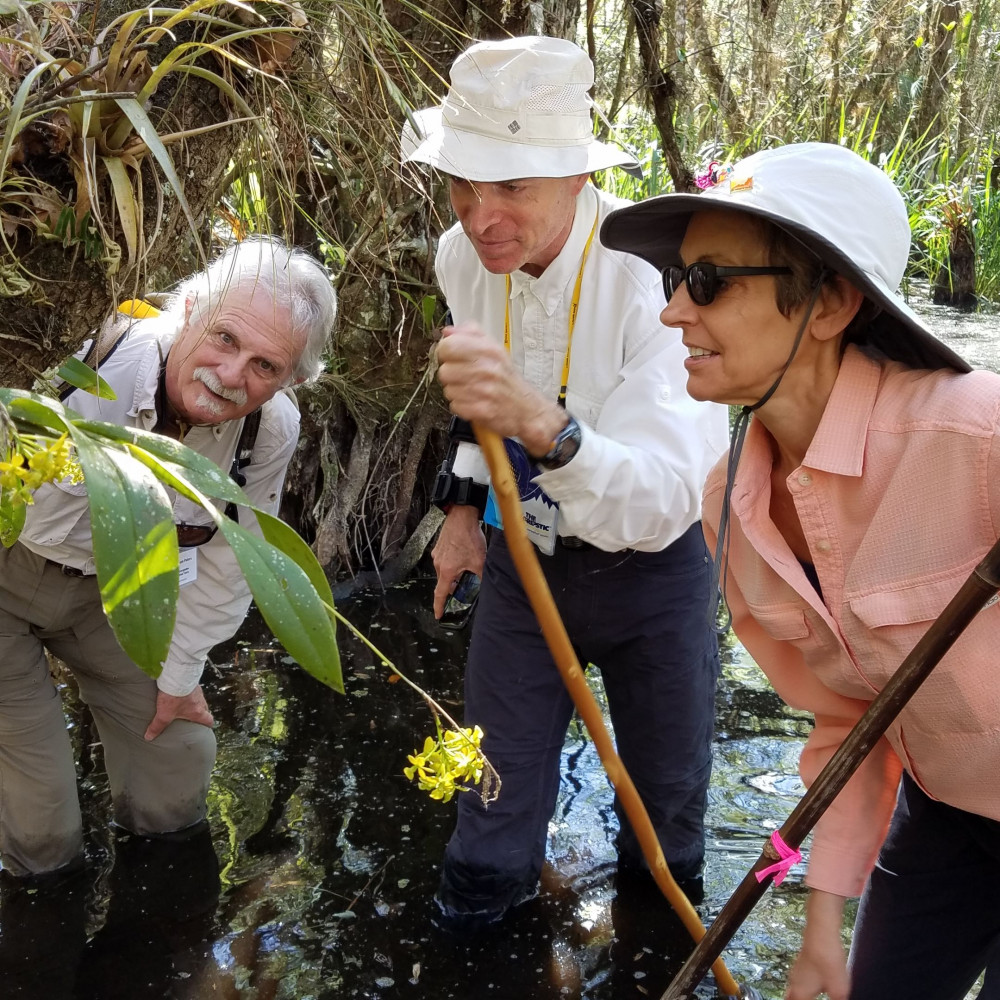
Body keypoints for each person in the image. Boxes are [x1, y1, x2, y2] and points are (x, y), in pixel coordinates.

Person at [601, 141, 1000, 1000]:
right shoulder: (731, 507)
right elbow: (850, 722)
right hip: (949, 818)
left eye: (708, 281)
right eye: (677, 278)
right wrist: (822, 933)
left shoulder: (977, 435)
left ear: (830, 304)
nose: (673, 312)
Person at [401, 35, 729, 931]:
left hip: (657, 577)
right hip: (523, 562)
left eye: (512, 185)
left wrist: (542, 423)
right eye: (464, 182)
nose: (481, 214)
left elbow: (667, 496)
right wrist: (463, 511)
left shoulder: (658, 280)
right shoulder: (460, 256)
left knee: (663, 827)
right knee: (489, 820)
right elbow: (481, 404)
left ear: (578, 178)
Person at [0, 235, 336, 879]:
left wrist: (179, 677)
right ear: (186, 311)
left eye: (266, 366)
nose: (232, 376)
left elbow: (231, 562)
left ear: (291, 378)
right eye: (226, 339)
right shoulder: (96, 361)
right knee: (44, 834)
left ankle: (159, 939)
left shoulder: (269, 430)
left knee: (177, 764)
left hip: (115, 594)